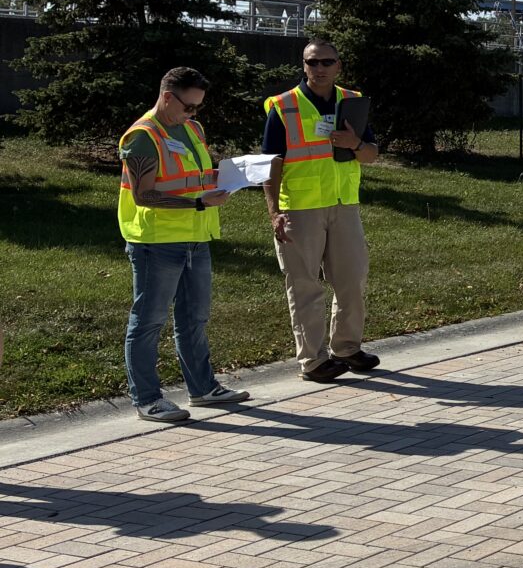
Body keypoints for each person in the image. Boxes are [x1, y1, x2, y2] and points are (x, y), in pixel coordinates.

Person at [118, 67, 247, 423]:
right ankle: (147, 399)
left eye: (198, 108)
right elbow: (144, 196)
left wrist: (236, 176)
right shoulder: (142, 136)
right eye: (189, 106)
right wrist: (198, 203)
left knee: (194, 317)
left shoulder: (192, 129)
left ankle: (202, 388)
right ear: (167, 97)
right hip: (157, 242)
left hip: (196, 238)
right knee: (148, 321)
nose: (194, 114)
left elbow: (196, 176)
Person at [263, 38, 381, 383]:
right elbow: (270, 165)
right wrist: (274, 212)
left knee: (352, 280)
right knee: (304, 285)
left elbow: (371, 154)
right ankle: (313, 361)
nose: (319, 69)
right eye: (312, 62)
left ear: (338, 66)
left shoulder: (353, 102)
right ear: (303, 65)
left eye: (326, 62)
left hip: (344, 205)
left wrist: (355, 144)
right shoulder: (283, 106)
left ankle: (347, 348)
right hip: (300, 207)